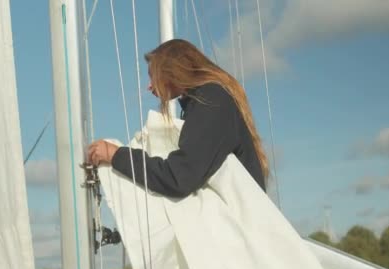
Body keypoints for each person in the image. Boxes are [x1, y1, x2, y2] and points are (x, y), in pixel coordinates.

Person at [88, 39, 268, 197]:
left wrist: (115, 154)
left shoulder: (211, 99)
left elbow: (179, 176)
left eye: (153, 76)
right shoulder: (208, 99)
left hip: (236, 231)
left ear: (173, 71)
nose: (150, 86)